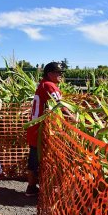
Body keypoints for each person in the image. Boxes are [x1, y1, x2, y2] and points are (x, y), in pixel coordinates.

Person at [26, 61, 75, 197]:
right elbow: (59, 105)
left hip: (35, 126)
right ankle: (39, 188)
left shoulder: (42, 84)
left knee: (34, 157)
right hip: (40, 129)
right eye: (58, 73)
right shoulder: (49, 85)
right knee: (39, 158)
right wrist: (73, 117)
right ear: (50, 74)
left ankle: (31, 187)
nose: (61, 75)